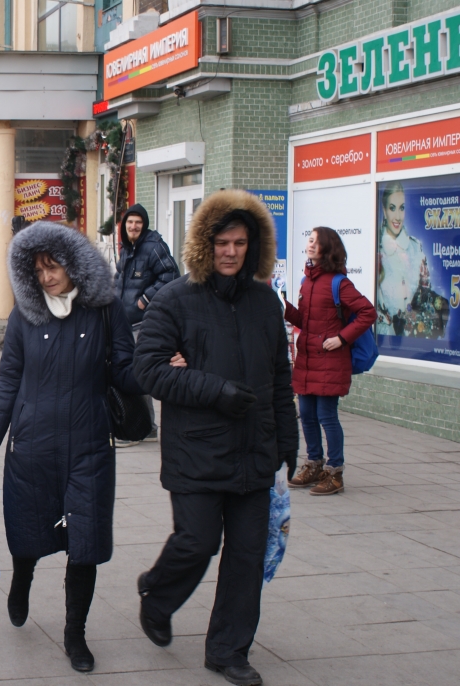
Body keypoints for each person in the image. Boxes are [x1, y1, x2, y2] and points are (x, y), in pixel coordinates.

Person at [132, 190, 298, 686]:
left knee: (246, 557)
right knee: (198, 541)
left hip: (254, 453)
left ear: (254, 247)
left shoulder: (266, 302)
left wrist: (287, 442)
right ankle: (158, 596)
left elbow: (280, 378)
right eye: (222, 242)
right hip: (196, 450)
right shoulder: (176, 299)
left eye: (240, 243)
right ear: (206, 244)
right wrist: (214, 389)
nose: (230, 252)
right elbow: (148, 370)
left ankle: (228, 650)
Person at [0, 221, 142, 673]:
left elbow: (125, 371)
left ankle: (74, 635)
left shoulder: (105, 311)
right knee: (27, 531)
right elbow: (9, 381)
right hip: (32, 446)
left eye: (54, 266)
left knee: (84, 543)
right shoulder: (25, 316)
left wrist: (161, 365)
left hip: (88, 446)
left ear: (74, 264)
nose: (47, 277)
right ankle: (21, 580)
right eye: (39, 269)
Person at [284, 227, 375, 496]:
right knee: (308, 416)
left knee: (326, 416)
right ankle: (314, 464)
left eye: (314, 241)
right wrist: (285, 307)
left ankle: (335, 471)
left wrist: (342, 338)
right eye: (308, 240)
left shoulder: (339, 283)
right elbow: (305, 320)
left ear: (326, 247)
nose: (309, 244)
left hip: (331, 361)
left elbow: (367, 312)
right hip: (308, 359)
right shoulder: (306, 281)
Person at [114, 204, 180, 444]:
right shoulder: (127, 248)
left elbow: (172, 276)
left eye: (138, 222)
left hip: (144, 322)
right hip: (125, 322)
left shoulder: (153, 246)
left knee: (139, 371)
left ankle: (141, 425)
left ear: (144, 224)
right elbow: (120, 280)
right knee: (132, 372)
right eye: (130, 222)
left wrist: (145, 299)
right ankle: (142, 424)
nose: (134, 226)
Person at [376, 182, 430, 336]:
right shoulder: (376, 251)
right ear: (384, 211)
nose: (398, 217)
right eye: (392, 208)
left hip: (413, 337)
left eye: (402, 208)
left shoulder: (415, 248)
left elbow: (425, 294)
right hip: (384, 337)